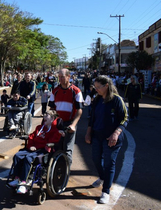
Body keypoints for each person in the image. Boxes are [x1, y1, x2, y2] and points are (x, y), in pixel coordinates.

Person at [85, 75, 128, 204]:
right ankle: (103, 178)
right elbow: (92, 118)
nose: (96, 89)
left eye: (98, 87)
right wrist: (88, 133)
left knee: (109, 164)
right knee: (95, 159)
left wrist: (116, 133)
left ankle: (106, 191)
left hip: (112, 138)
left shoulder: (116, 100)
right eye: (95, 87)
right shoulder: (97, 100)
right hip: (97, 135)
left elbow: (125, 118)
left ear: (106, 86)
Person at [7, 110, 64, 194]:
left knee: (28, 158)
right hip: (33, 148)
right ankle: (16, 178)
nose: (44, 117)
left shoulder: (54, 131)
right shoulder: (39, 128)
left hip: (42, 150)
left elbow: (53, 141)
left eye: (46, 116)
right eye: (44, 115)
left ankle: (23, 183)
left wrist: (59, 134)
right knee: (17, 155)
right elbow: (31, 137)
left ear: (52, 118)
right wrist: (30, 146)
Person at [48, 68, 83, 166]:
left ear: (69, 77)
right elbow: (52, 108)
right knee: (56, 147)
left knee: (67, 149)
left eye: (62, 76)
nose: (60, 79)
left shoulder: (76, 91)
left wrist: (73, 125)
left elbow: (79, 110)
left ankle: (66, 172)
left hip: (69, 123)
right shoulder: (55, 91)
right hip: (57, 123)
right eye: (59, 77)